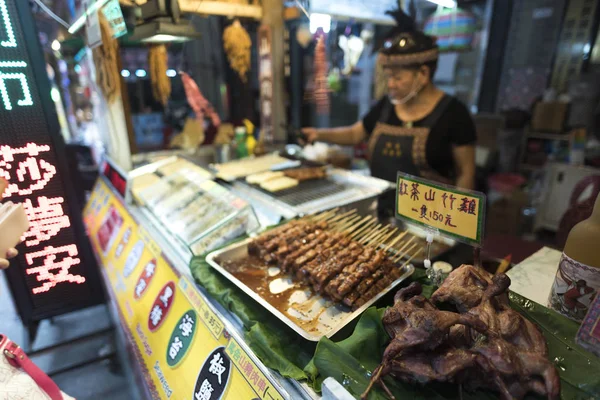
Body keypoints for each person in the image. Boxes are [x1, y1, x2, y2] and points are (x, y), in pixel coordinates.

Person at [302, 9, 477, 219]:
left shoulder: (454, 114)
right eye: (388, 77)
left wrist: (456, 222)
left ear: (423, 74)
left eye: (397, 78)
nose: (390, 85)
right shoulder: (387, 106)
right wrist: (318, 134)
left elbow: (466, 173)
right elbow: (355, 134)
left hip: (429, 219)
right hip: (382, 212)